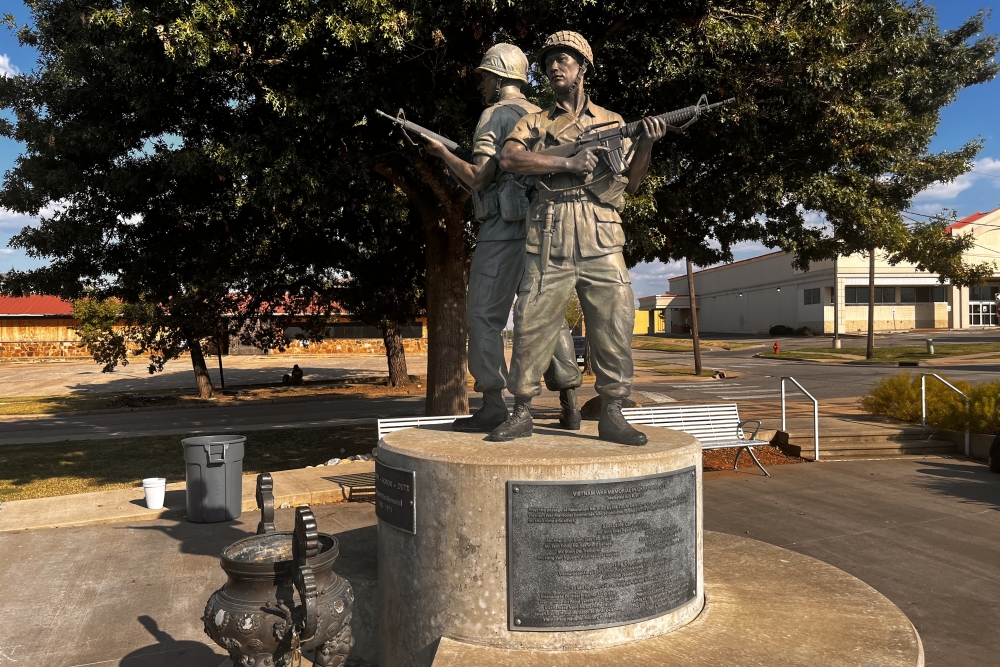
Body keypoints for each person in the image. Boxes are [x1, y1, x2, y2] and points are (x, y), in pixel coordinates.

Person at [487, 31, 670, 445]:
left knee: (616, 318)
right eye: (550, 61)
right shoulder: (536, 121)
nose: (554, 67)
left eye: (564, 60)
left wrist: (645, 144)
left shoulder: (612, 122)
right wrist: (566, 160)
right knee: (532, 318)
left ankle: (614, 411)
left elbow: (632, 183)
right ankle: (522, 411)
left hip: (601, 230)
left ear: (583, 68)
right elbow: (509, 158)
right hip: (550, 228)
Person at [425, 44, 582, 433]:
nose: (481, 84)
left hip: (503, 230)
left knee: (483, 315)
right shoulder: (541, 115)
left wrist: (443, 154)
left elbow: (478, 177)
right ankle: (570, 403)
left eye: (484, 77)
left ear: (499, 78)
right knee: (547, 315)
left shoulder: (494, 115)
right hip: (544, 227)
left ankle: (493, 402)